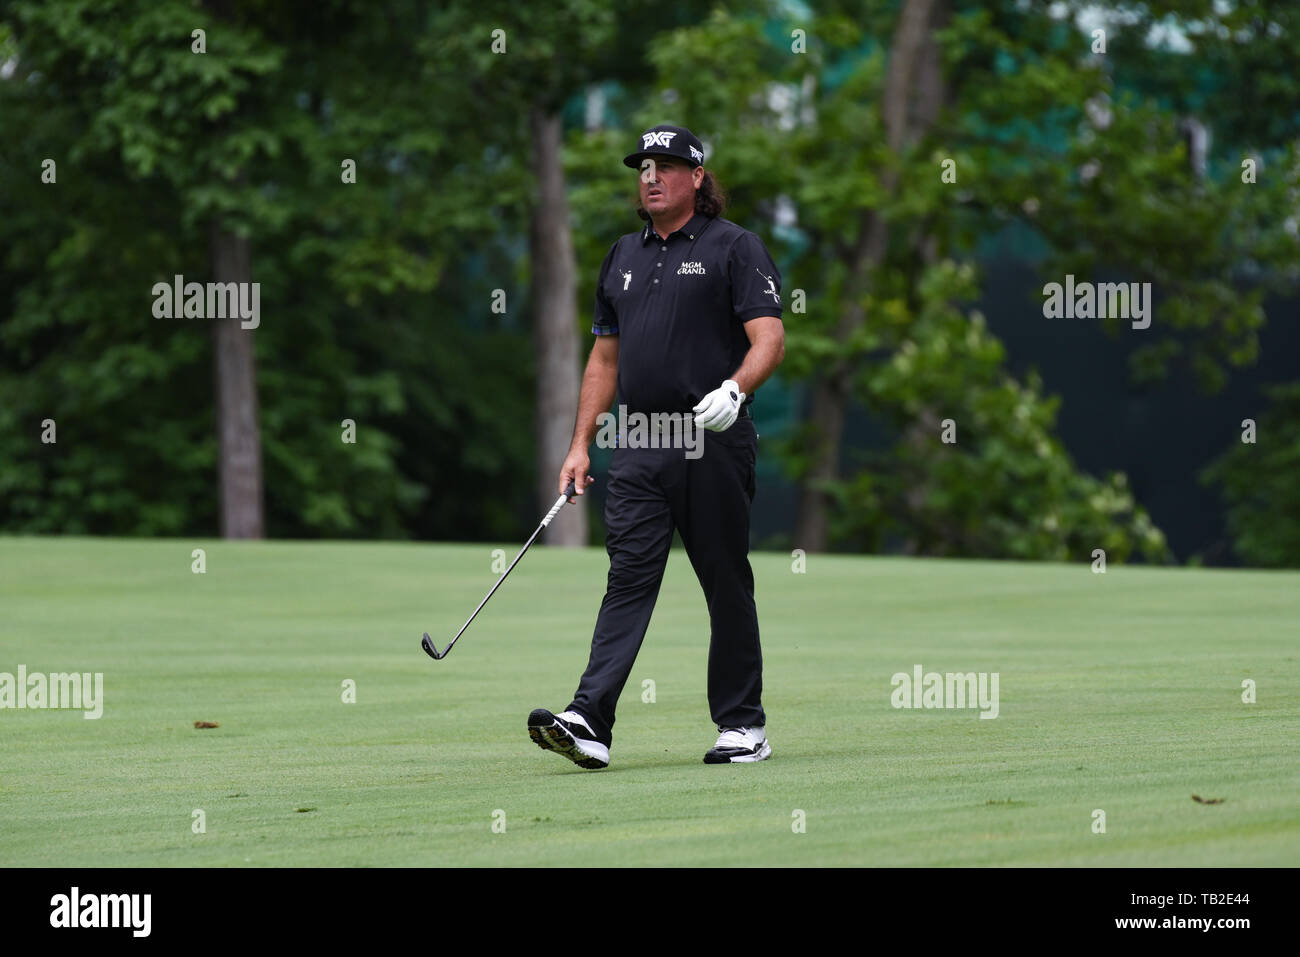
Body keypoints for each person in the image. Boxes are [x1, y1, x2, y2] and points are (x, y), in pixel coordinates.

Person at [528, 124, 785, 769]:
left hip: (712, 439)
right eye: (643, 166)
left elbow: (770, 338)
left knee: (724, 580)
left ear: (697, 178)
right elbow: (604, 358)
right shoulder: (622, 255)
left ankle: (742, 726)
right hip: (640, 442)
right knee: (628, 578)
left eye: (666, 165)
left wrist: (734, 390)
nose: (650, 175)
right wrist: (580, 443)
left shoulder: (735, 247)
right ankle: (589, 719)